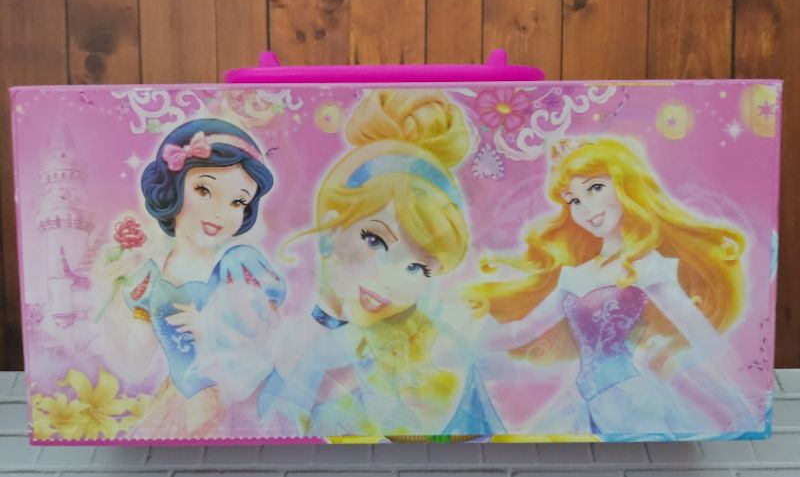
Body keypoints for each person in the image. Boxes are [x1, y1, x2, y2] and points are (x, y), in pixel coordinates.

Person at [464, 136, 759, 439]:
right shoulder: (573, 276)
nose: (585, 208)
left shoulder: (646, 266)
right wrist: (464, 343)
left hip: (631, 397)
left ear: (626, 185)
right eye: (574, 200)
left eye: (595, 188)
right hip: (584, 400)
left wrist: (738, 405)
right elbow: (524, 330)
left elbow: (701, 335)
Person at [267, 89, 504, 437]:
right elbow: (268, 425)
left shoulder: (436, 349)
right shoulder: (298, 332)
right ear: (333, 225)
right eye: (375, 241)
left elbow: (413, 438)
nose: (390, 280)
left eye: (417, 267)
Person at [102, 118, 285, 439]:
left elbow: (271, 342)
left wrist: (208, 330)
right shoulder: (149, 278)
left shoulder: (239, 264)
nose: (219, 212)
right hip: (181, 402)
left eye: (238, 201)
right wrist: (111, 293)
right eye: (204, 190)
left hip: (240, 399)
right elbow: (135, 363)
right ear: (172, 187)